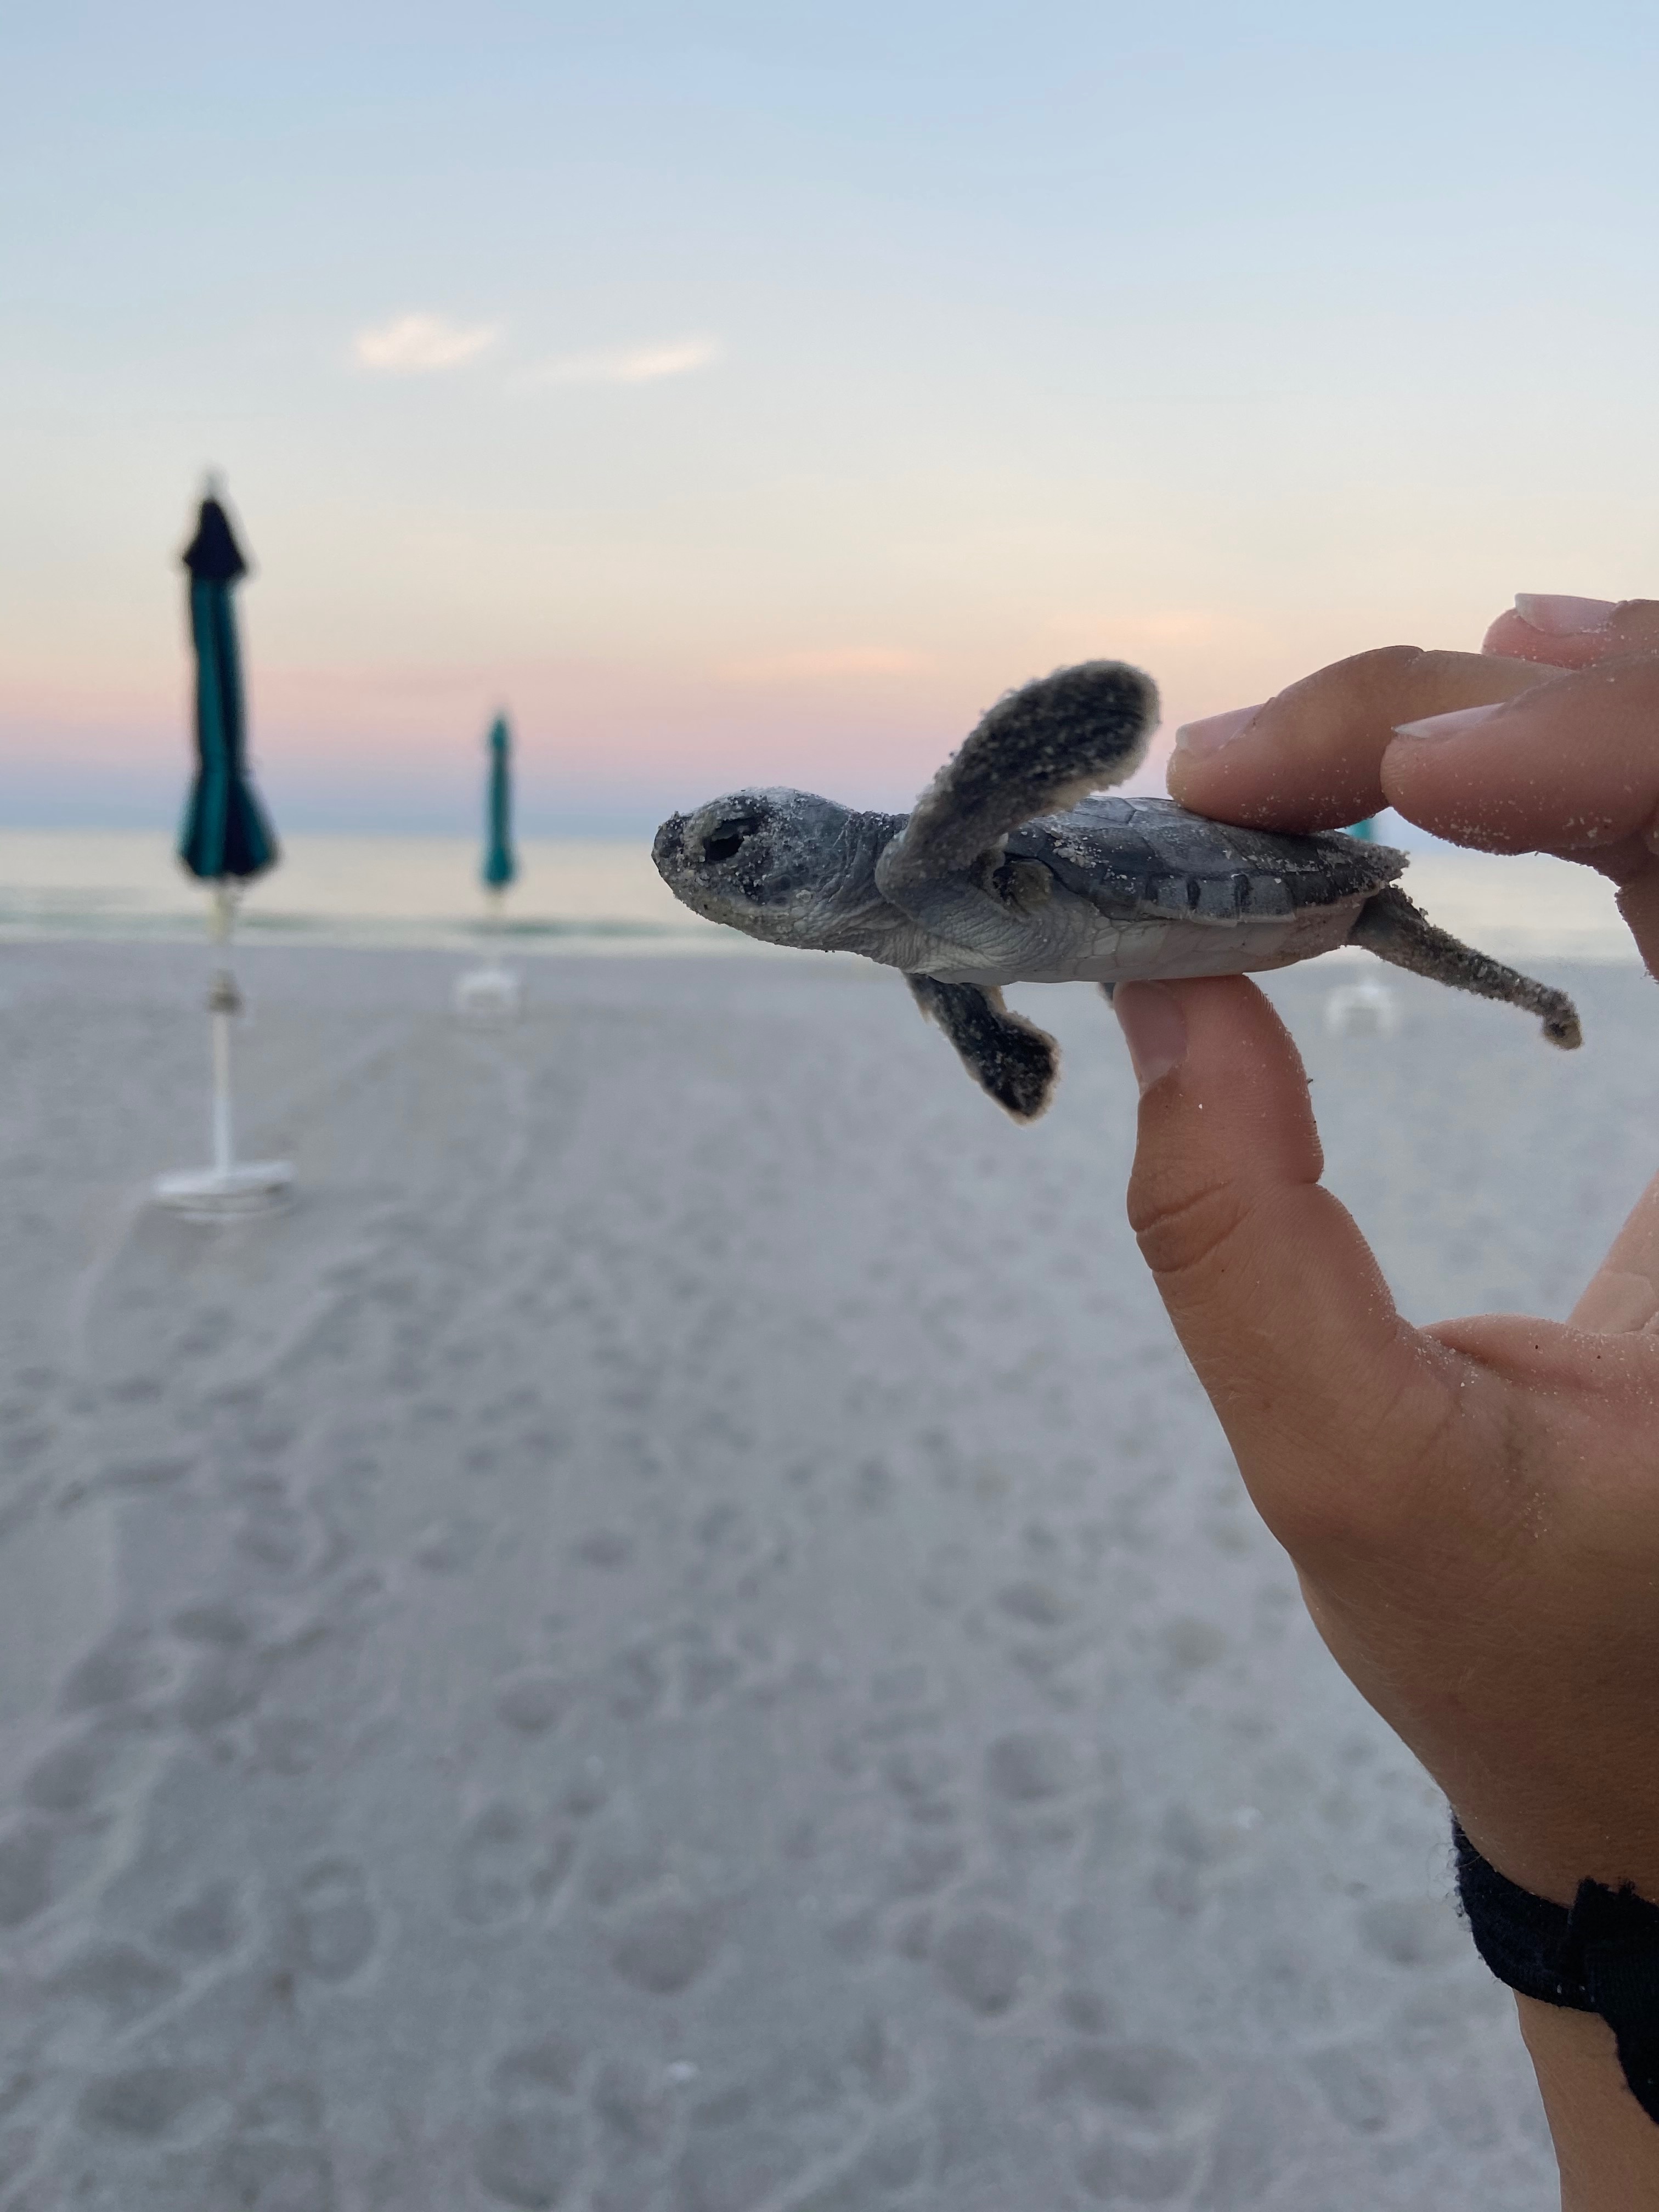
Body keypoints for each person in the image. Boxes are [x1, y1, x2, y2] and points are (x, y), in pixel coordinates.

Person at [1110, 594, 1659, 2211]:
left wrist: (1605, 1878)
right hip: (1288, 892)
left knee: (1408, 932)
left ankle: (1515, 985)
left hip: (1282, 895)